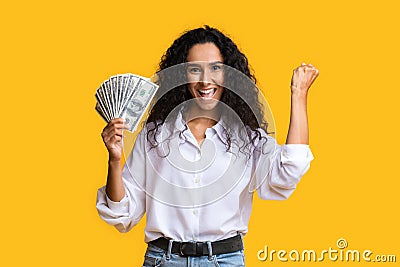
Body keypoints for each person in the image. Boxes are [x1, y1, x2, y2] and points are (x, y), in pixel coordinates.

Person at [96, 25, 319, 267]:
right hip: (164, 260)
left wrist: (299, 95)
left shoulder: (247, 138)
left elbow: (289, 170)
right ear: (181, 75)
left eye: (215, 68)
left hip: (225, 260)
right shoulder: (154, 136)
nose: (205, 80)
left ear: (229, 74)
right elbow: (121, 214)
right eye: (194, 69)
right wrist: (115, 160)